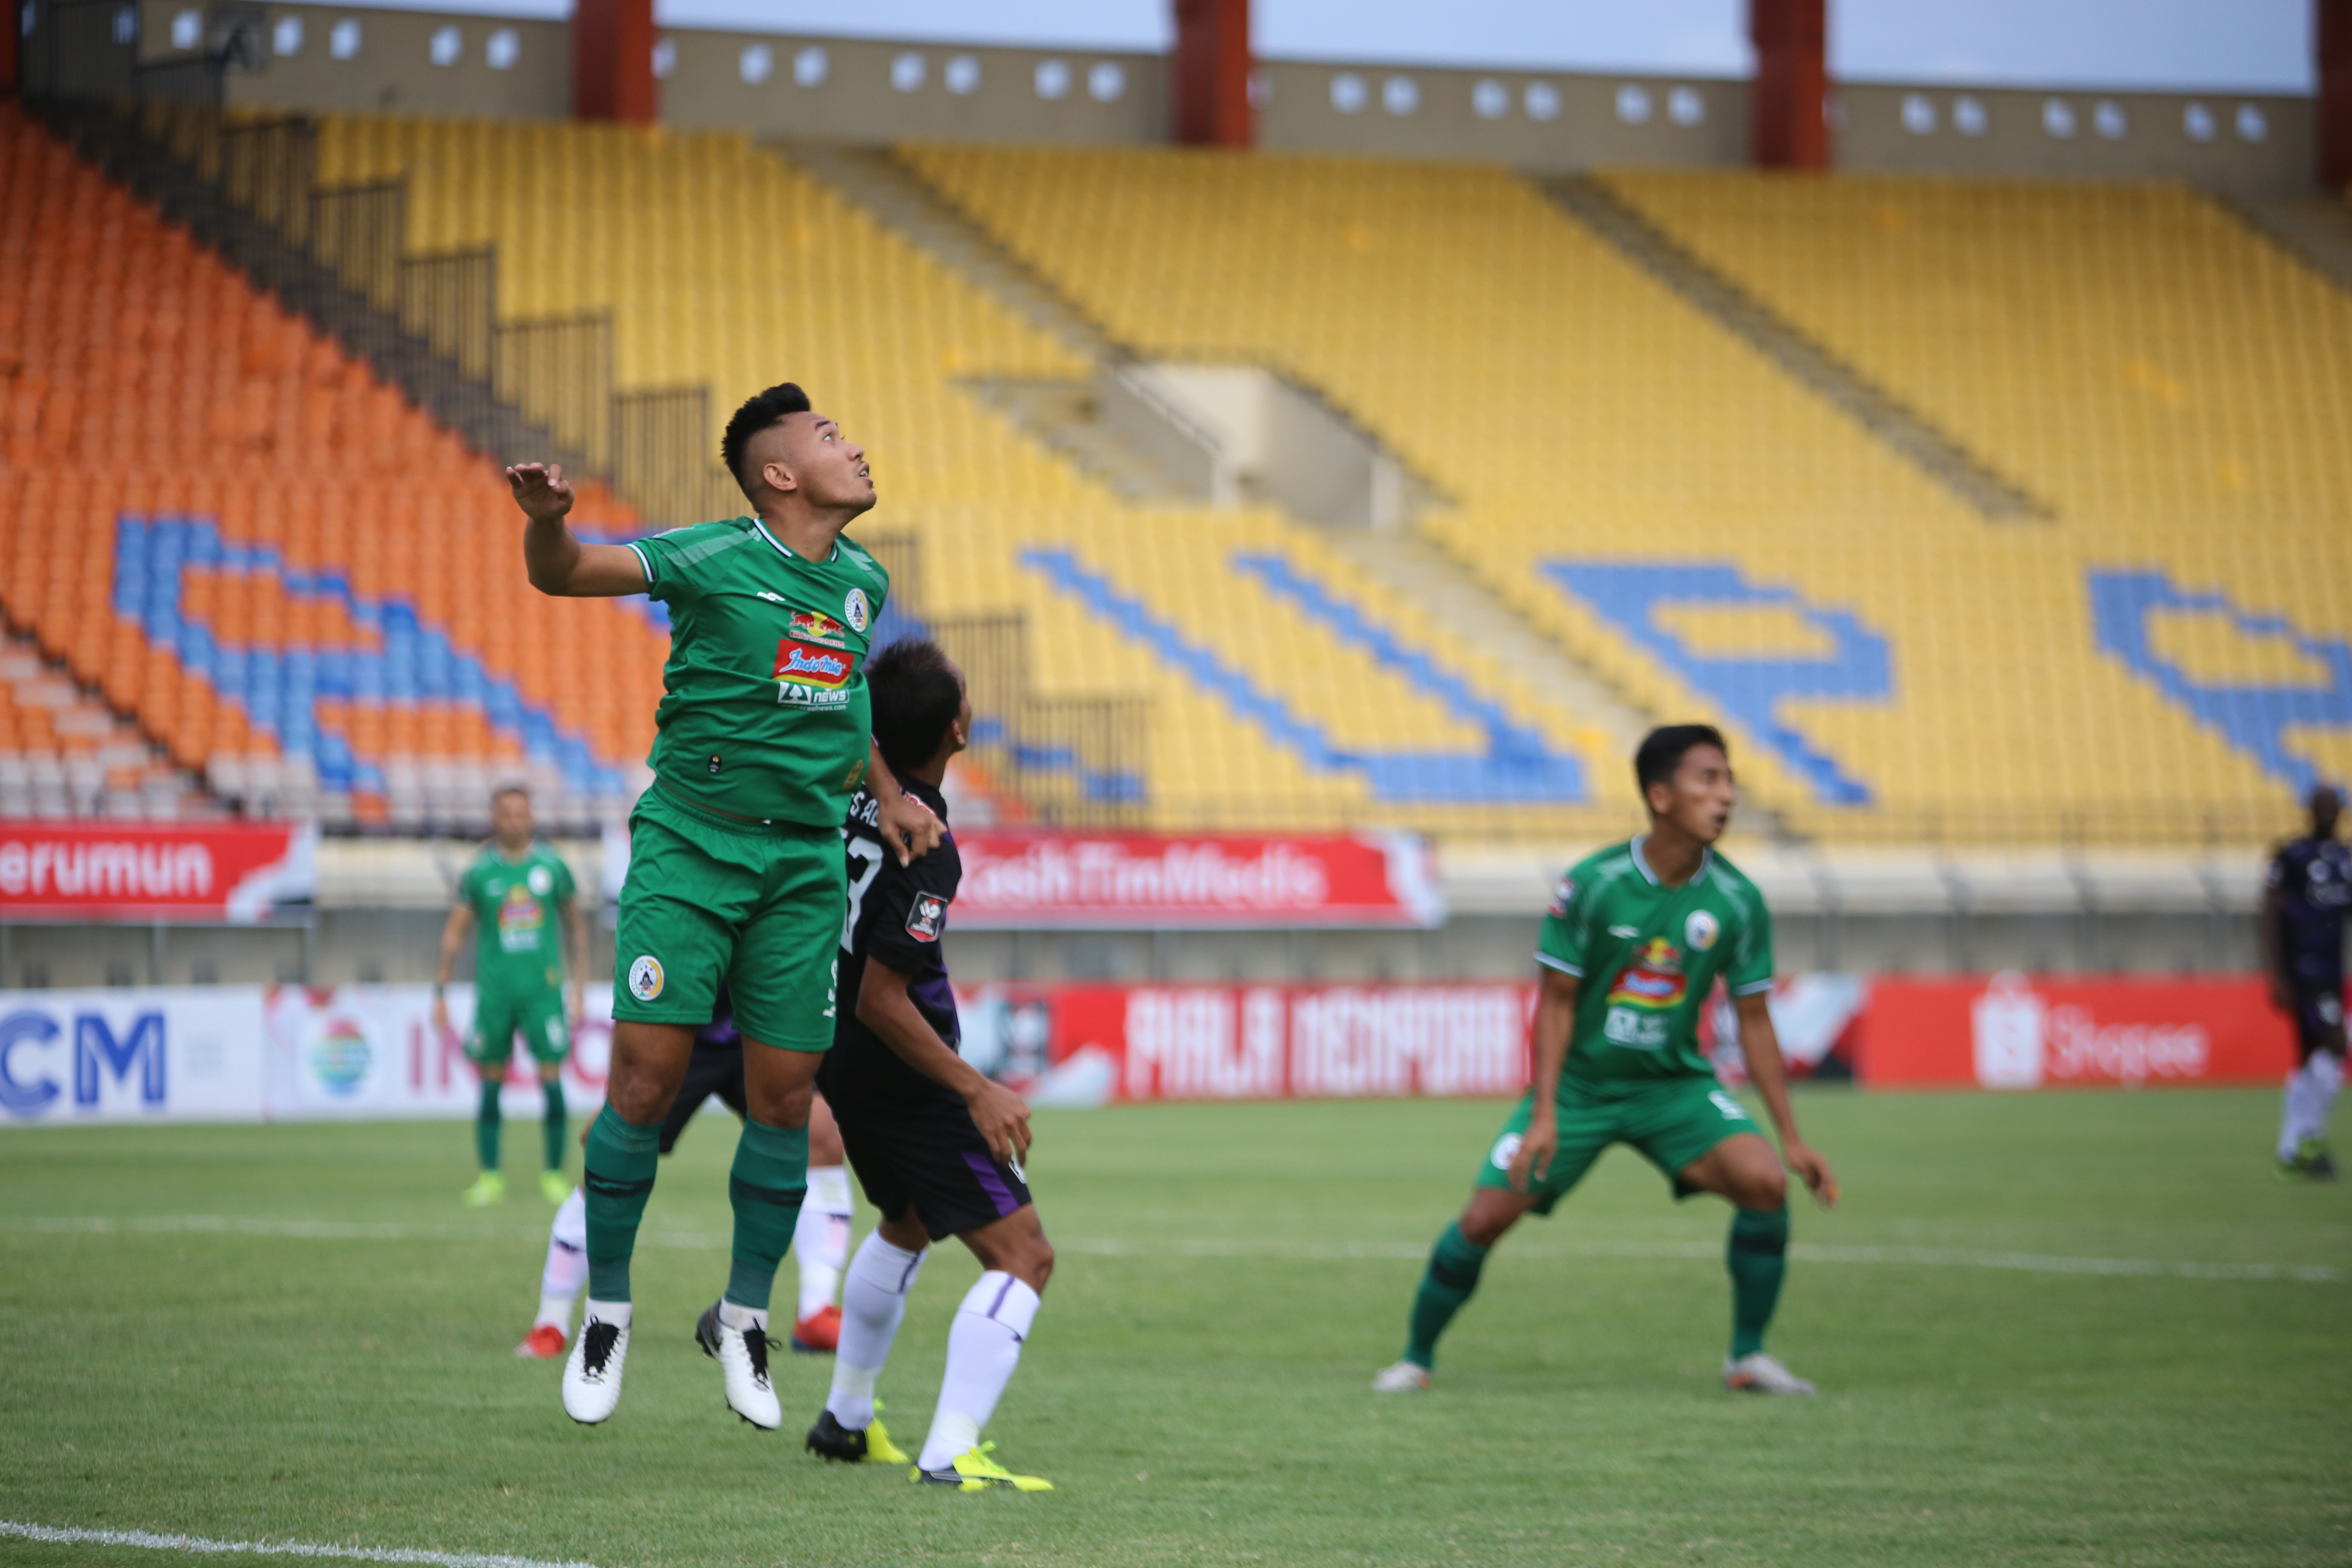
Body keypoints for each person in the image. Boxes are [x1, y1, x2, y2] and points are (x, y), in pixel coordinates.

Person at [505, 381, 944, 1429]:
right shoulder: (709, 556)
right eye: (833, 437)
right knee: (645, 1082)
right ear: (780, 474)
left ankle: (745, 1317)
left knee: (789, 1099)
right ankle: (605, 1310)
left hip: (799, 864)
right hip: (689, 850)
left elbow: (847, 709)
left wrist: (888, 795)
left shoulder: (862, 584)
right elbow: (566, 576)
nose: (859, 447)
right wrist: (548, 524)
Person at [1372, 725, 1839, 1397]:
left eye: (1729, 781)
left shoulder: (1738, 901)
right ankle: (1414, 1359)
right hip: (1583, 1091)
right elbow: (1556, 1004)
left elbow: (1756, 1018)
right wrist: (1546, 1111)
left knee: (1765, 1182)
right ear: (1660, 795)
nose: (1726, 795)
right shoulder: (1593, 885)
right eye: (1708, 779)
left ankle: (1748, 1358)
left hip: (1675, 1089)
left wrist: (1791, 1137)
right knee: (1482, 1220)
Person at [802, 638, 1055, 1492]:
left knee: (905, 1224)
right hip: (905, 1073)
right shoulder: (927, 840)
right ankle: (952, 1450)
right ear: (958, 727)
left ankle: (845, 1418)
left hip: (839, 1059)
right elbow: (884, 998)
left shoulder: (844, 797)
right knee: (1024, 1256)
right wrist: (974, 1086)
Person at [515, 986, 857, 1358]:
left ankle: (815, 1311)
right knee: (612, 1150)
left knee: (823, 1137)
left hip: (760, 1026)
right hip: (681, 1028)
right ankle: (551, 1320)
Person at [435, 785, 586, 1208]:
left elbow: (576, 926)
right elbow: (455, 933)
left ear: (531, 816)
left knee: (552, 1080)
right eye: (508, 815)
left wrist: (578, 985)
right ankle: (490, 1177)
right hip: (496, 994)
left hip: (543, 993)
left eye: (522, 814)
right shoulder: (481, 873)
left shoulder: (552, 867)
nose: (516, 822)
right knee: (491, 1082)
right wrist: (440, 990)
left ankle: (554, 1174)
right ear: (494, 818)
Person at [2263, 784, 2349, 1179]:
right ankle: (2306, 1138)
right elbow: (2269, 914)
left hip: (2331, 971)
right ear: (2310, 810)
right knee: (2336, 1044)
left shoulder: (2345, 860)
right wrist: (2278, 974)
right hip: (2303, 971)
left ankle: (2294, 1145)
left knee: (2311, 1057)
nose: (2328, 814)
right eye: (2322, 807)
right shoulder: (2291, 855)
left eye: (2334, 808)